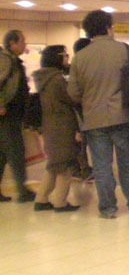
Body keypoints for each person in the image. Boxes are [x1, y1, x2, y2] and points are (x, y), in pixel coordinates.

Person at [67, 10, 129, 218]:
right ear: (108, 27)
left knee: (102, 166)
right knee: (128, 162)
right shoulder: (124, 50)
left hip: (94, 119)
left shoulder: (80, 57)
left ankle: (108, 208)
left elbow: (73, 92)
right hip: (122, 115)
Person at [32, 45, 80, 212]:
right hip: (62, 126)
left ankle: (41, 199)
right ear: (57, 58)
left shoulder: (43, 78)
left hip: (50, 125)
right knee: (65, 165)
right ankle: (60, 201)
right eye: (65, 55)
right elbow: (72, 98)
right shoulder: (57, 79)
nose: (68, 58)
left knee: (53, 165)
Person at [0, 30, 36, 202]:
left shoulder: (13, 61)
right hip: (7, 115)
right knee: (15, 152)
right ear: (12, 43)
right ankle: (22, 191)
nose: (25, 44)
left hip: (11, 115)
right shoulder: (6, 60)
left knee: (3, 154)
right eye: (22, 41)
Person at [72, 37, 93, 182]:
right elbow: (75, 93)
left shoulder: (77, 65)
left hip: (84, 111)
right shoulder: (78, 67)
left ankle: (83, 169)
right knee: (81, 142)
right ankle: (82, 169)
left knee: (83, 142)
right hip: (79, 112)